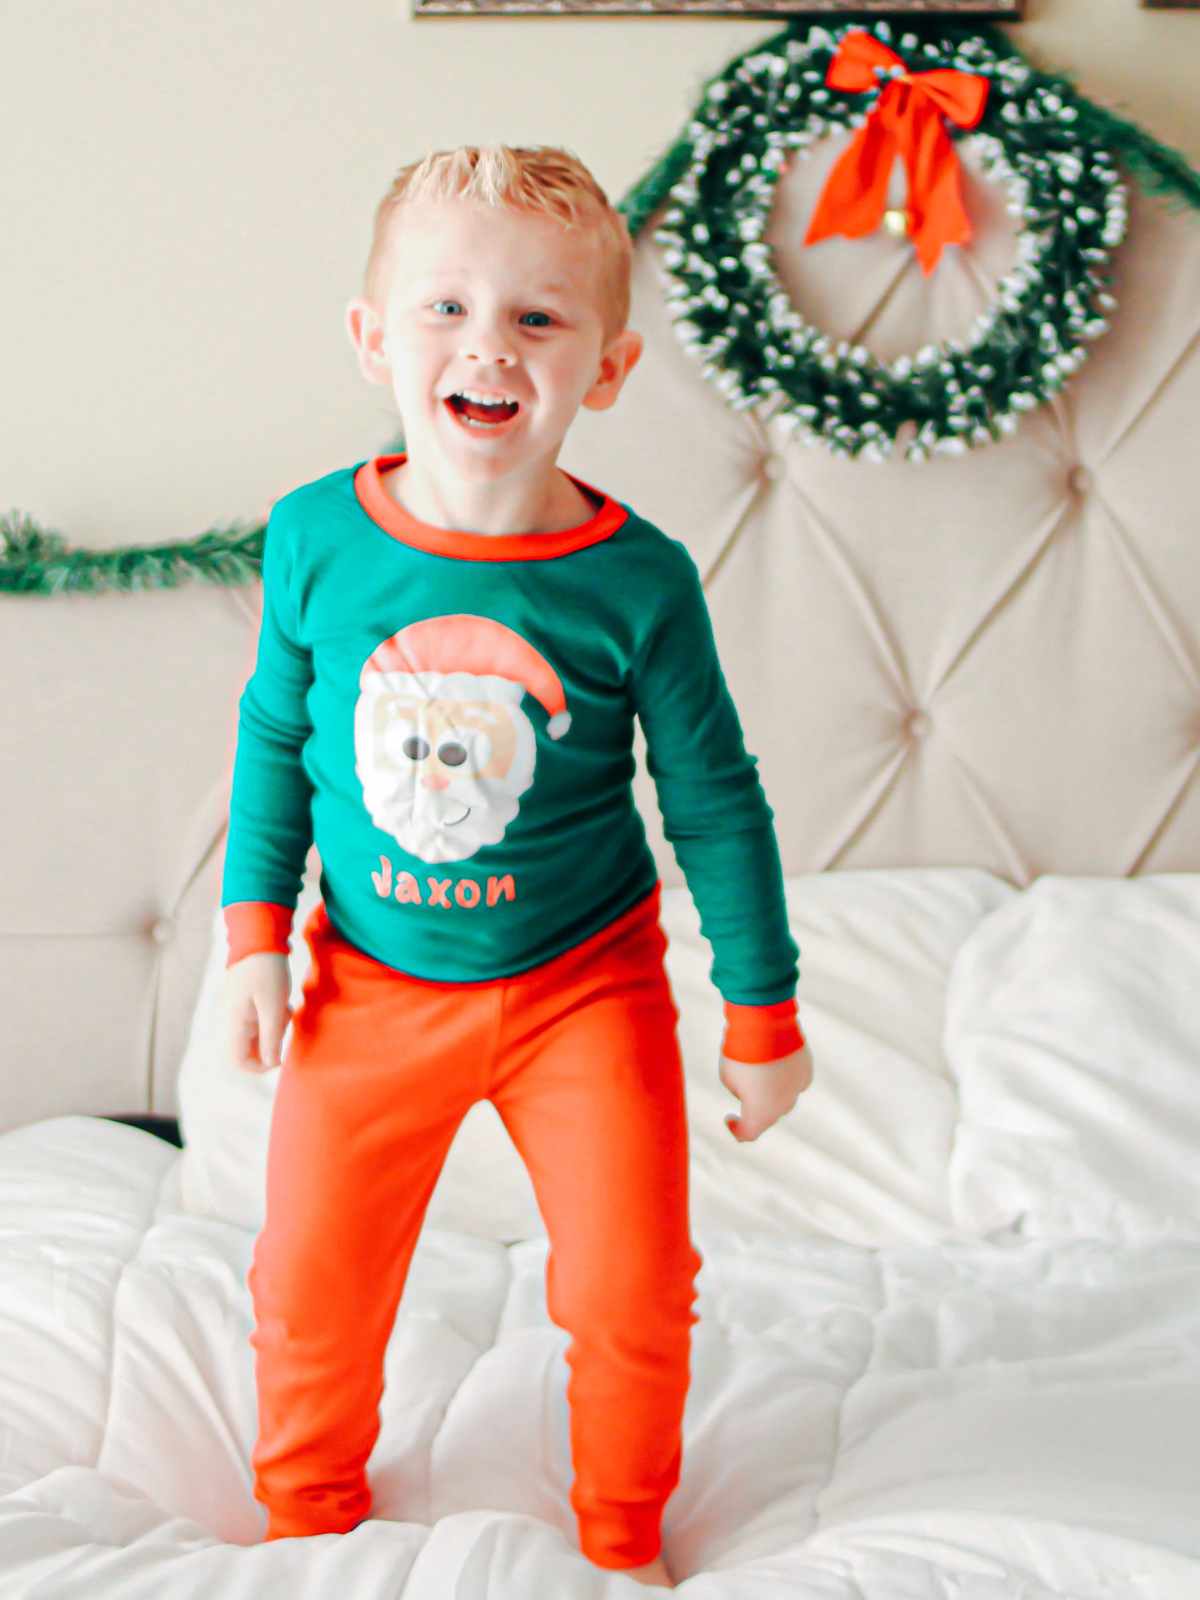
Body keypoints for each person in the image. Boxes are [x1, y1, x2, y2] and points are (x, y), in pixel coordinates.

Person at [221, 143, 813, 1590]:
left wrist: (762, 1014)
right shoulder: (313, 540)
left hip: (584, 987)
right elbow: (274, 739)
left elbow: (716, 801)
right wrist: (251, 934)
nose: (488, 344)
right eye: (446, 309)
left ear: (605, 368)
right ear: (373, 339)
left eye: (537, 321)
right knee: (309, 1282)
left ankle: (621, 1545)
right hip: (364, 985)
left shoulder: (638, 580)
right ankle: (308, 1529)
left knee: (631, 1288)